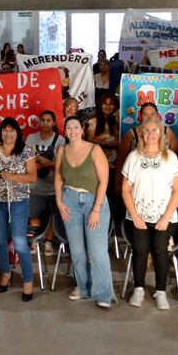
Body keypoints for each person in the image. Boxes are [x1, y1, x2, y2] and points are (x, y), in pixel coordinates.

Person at [122, 118, 178, 311]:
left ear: (161, 134)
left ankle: (160, 291)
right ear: (142, 134)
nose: (150, 134)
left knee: (160, 251)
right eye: (146, 131)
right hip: (138, 216)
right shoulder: (134, 157)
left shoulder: (171, 157)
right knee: (140, 251)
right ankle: (138, 288)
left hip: (164, 217)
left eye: (154, 130)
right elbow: (125, 190)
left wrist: (166, 217)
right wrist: (135, 215)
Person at [54, 117, 116, 308]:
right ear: (65, 131)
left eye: (76, 127)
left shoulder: (94, 149)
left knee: (97, 251)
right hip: (70, 200)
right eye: (69, 127)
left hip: (93, 201)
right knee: (77, 250)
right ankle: (82, 287)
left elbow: (104, 182)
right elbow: (57, 177)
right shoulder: (62, 151)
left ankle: (103, 293)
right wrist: (59, 201)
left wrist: (96, 209)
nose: (72, 130)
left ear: (82, 129)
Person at [0, 117, 38, 300]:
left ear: (18, 132)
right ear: (0, 132)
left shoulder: (25, 151)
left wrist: (13, 177)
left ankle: (28, 280)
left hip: (18, 202)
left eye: (12, 130)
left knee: (20, 242)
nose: (8, 134)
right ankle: (5, 273)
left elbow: (32, 177)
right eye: (5, 130)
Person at [26, 110, 65, 256]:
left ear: (53, 123)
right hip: (34, 185)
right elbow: (26, 159)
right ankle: (35, 240)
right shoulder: (31, 137)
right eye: (43, 120)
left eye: (49, 120)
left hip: (52, 185)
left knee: (52, 214)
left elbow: (60, 163)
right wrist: (47, 163)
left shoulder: (60, 140)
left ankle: (48, 241)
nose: (45, 123)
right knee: (34, 213)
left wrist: (41, 162)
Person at [116, 102, 178, 176]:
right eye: (145, 114)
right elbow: (121, 159)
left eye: (152, 114)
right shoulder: (132, 134)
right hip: (138, 178)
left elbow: (177, 157)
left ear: (157, 115)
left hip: (164, 178)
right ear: (140, 116)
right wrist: (117, 184)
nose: (149, 117)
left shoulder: (167, 132)